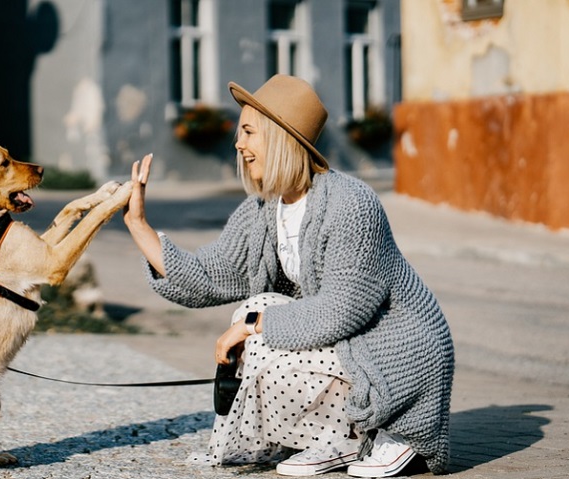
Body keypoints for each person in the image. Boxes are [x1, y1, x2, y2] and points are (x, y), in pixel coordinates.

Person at [121, 75, 454, 478]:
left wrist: (251, 327)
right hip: (349, 345)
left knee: (257, 323)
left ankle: (388, 432)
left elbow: (341, 311)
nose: (238, 144)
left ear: (280, 137)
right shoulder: (265, 209)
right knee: (256, 308)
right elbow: (211, 275)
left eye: (248, 132)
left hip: (397, 352)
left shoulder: (352, 204)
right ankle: (333, 439)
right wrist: (139, 226)